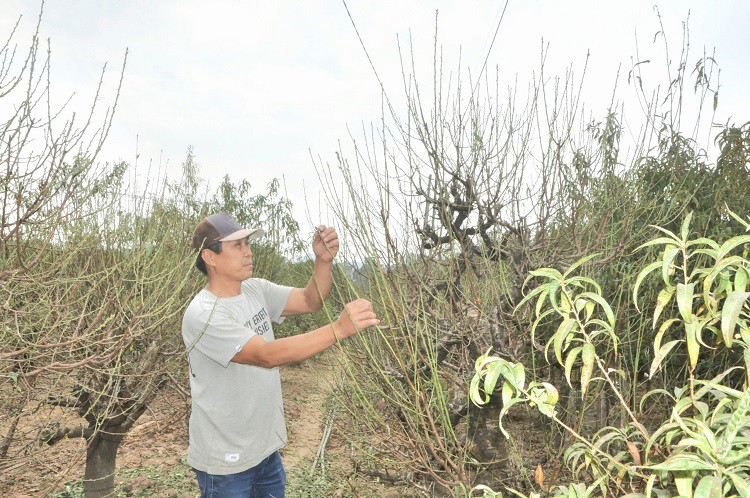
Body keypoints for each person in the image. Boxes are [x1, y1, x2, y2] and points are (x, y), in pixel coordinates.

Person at [182, 212, 379, 497]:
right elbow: (265, 355)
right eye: (237, 246)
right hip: (226, 462)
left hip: (266, 450)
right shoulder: (204, 314)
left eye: (247, 243)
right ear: (210, 258)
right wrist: (338, 329)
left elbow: (311, 300)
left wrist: (323, 261)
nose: (248, 252)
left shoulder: (255, 290)